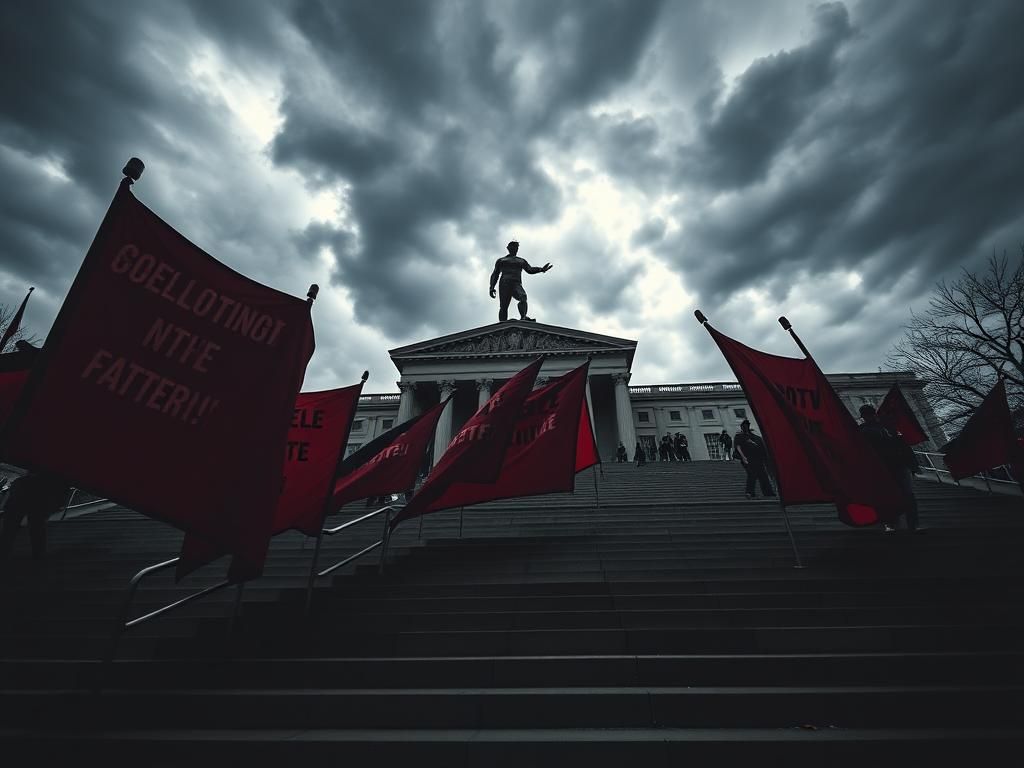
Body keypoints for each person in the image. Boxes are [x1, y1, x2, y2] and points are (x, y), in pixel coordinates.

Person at [858, 404, 922, 533]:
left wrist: (913, 465)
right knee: (891, 494)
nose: (868, 417)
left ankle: (909, 523)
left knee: (906, 494)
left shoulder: (887, 427)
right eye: (866, 415)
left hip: (895, 464)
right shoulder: (867, 430)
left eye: (869, 414)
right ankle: (894, 522)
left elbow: (903, 446)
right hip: (882, 466)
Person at [0, 471, 70, 560]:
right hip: (42, 492)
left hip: (27, 490)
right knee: (37, 525)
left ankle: (4, 551)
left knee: (11, 525)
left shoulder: (22, 483)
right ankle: (38, 553)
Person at [488, 241, 552, 322]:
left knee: (523, 297)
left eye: (516, 247)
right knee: (504, 306)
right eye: (513, 247)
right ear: (508, 248)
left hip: (516, 283)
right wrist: (491, 287)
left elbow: (530, 269)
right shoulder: (501, 260)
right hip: (504, 283)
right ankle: (502, 324)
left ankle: (523, 317)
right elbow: (495, 274)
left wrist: (541, 269)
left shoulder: (521, 261)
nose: (515, 249)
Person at [733, 420, 775, 499]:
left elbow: (763, 449)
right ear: (742, 427)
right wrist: (743, 457)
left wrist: (766, 460)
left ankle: (768, 492)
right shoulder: (739, 436)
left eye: (747, 425)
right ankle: (749, 492)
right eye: (744, 425)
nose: (745, 427)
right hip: (748, 458)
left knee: (763, 475)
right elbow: (738, 447)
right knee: (752, 474)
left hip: (758, 458)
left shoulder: (756, 437)